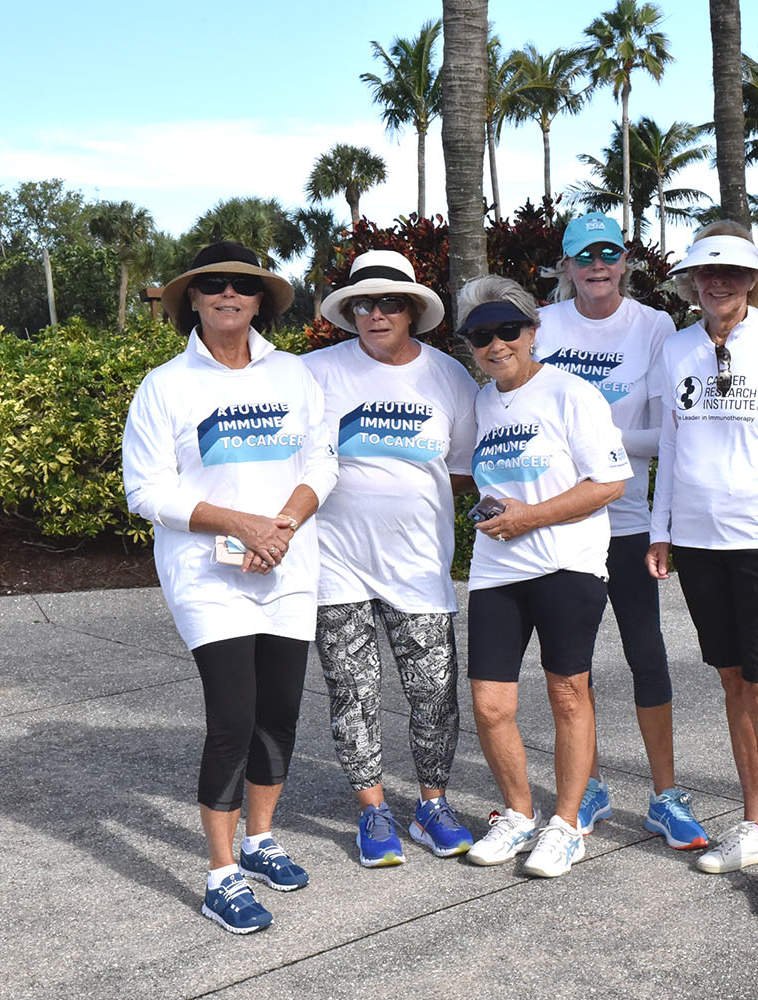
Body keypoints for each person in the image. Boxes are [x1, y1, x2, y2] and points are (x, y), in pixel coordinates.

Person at [122, 242, 338, 935]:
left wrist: (280, 527)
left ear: (259, 300)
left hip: (288, 566)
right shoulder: (166, 385)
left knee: (279, 715)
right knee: (233, 720)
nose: (226, 295)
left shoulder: (296, 376)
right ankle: (220, 877)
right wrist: (240, 524)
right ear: (192, 298)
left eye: (241, 286)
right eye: (211, 285)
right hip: (207, 577)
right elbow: (145, 490)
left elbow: (321, 462)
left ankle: (260, 840)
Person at [646, 222, 758, 917]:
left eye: (732, 272)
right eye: (704, 272)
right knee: (731, 683)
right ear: (692, 282)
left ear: (752, 282)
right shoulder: (677, 346)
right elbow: (669, 440)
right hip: (696, 545)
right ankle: (756, 826)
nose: (717, 282)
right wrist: (661, 532)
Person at [535, 210, 707, 850]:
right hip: (560, 522)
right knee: (570, 665)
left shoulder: (656, 327)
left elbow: (668, 432)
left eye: (609, 254)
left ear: (625, 262)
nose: (597, 267)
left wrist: (593, 446)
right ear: (567, 267)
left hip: (629, 519)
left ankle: (665, 795)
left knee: (646, 652)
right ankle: (592, 788)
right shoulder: (544, 327)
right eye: (584, 257)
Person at [303, 250, 480, 868]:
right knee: (353, 692)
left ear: (411, 310)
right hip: (335, 564)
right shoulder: (314, 373)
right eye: (362, 303)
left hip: (418, 565)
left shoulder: (450, 378)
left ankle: (432, 805)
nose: (375, 314)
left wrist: (403, 495)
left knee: (434, 692)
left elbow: (462, 471)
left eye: (389, 302)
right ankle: (372, 811)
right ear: (349, 311)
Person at [457, 275, 632, 878]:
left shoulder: (571, 394)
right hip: (496, 571)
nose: (496, 344)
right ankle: (517, 814)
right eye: (481, 335)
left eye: (509, 330)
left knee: (566, 692)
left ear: (533, 332)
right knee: (489, 704)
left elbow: (611, 482)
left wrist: (529, 516)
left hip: (566, 565)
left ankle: (565, 825)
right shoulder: (479, 402)